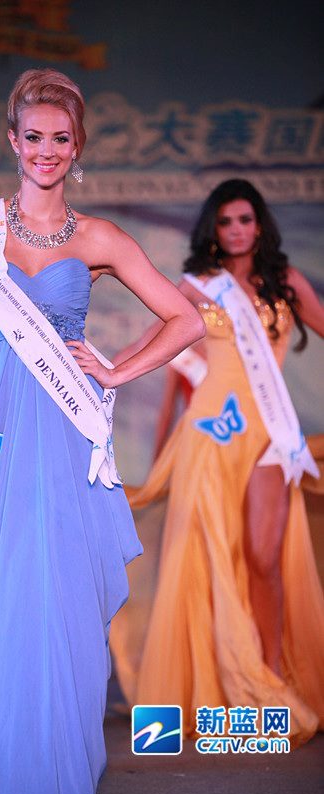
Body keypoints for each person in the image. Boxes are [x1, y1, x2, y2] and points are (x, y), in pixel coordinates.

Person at [0, 68, 204, 794]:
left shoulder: (98, 236)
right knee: (12, 597)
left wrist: (116, 370)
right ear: (12, 140)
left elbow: (184, 320)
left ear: (77, 144)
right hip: (0, 430)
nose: (46, 150)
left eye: (60, 138)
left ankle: (61, 768)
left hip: (67, 430)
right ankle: (15, 764)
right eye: (33, 137)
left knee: (66, 599)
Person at [111, 178, 324, 747]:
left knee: (262, 556)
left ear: (260, 225)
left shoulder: (286, 281)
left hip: (269, 435)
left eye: (245, 220)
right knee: (203, 559)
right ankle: (215, 687)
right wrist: (101, 372)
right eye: (226, 221)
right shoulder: (196, 286)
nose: (235, 230)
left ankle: (268, 680)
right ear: (213, 227)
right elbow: (151, 341)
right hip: (210, 433)